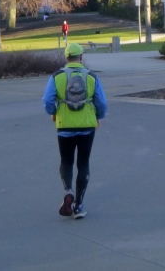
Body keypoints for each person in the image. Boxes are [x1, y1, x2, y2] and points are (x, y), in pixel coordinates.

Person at [42, 43, 107, 220]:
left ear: (66, 58)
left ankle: (68, 190)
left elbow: (47, 100)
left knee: (66, 161)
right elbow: (101, 102)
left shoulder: (57, 76)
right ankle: (78, 205)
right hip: (87, 126)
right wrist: (98, 117)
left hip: (65, 126)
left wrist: (54, 112)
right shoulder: (91, 76)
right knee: (83, 163)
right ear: (81, 57)